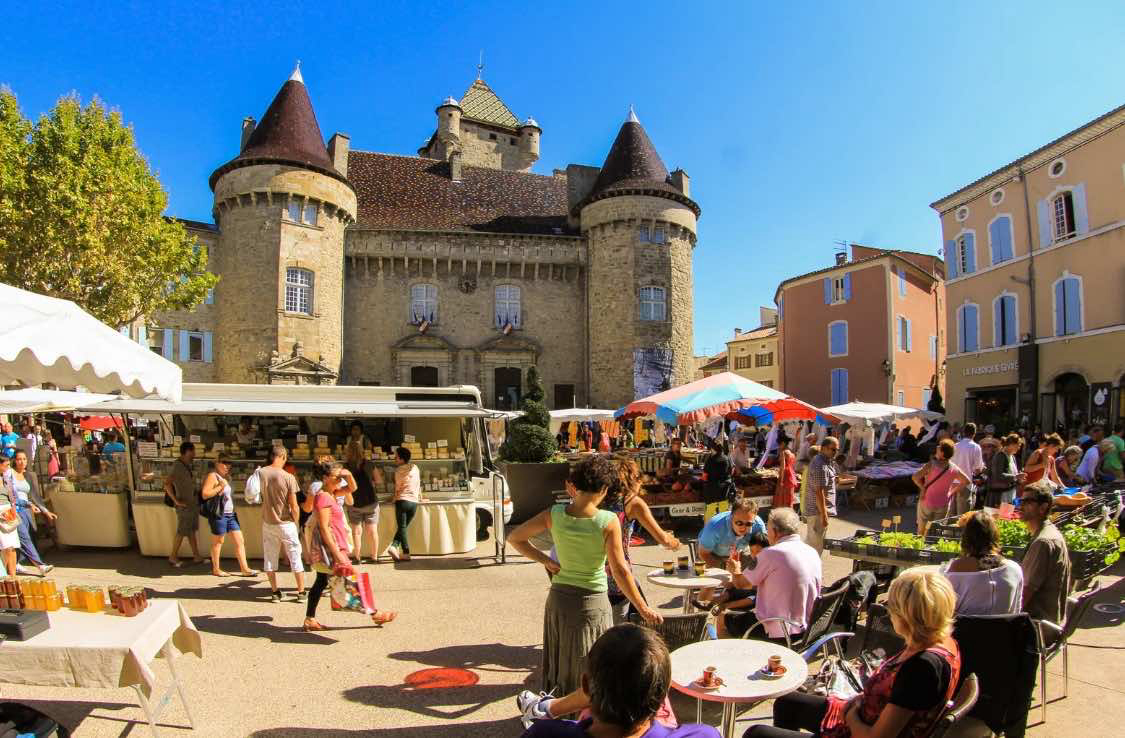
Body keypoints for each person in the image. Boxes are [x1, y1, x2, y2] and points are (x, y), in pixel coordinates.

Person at [508, 456, 661, 702]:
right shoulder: (607, 521)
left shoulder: (554, 513)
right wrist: (643, 608)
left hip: (559, 598)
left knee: (561, 657)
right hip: (592, 600)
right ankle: (584, 712)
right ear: (604, 488)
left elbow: (515, 537)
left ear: (575, 484)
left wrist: (545, 560)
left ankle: (556, 706)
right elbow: (620, 570)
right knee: (592, 661)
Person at [746, 567, 961, 738]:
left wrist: (850, 714)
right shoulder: (940, 641)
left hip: (857, 729)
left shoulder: (922, 667)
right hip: (861, 714)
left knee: (756, 734)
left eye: (891, 606)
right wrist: (855, 704)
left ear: (905, 615)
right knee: (787, 702)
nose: (888, 611)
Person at [520, 624, 720, 738]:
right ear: (663, 696)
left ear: (586, 686)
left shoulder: (543, 735)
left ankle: (545, 707)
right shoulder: (703, 735)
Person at [303, 459, 396, 631]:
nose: (340, 480)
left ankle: (310, 619)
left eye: (340, 477)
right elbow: (323, 528)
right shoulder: (323, 497)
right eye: (336, 477)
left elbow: (353, 489)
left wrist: (348, 474)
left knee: (321, 582)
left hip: (335, 546)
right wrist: (337, 553)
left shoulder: (332, 493)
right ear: (325, 477)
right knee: (353, 579)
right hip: (332, 548)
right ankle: (375, 614)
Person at [723, 508, 821, 641]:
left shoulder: (770, 554)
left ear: (774, 532)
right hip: (808, 628)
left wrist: (735, 570)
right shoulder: (811, 552)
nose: (767, 534)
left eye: (767, 530)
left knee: (721, 620)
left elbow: (741, 584)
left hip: (779, 629)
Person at [604, 459, 680, 624]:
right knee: (621, 629)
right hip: (618, 576)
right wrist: (675, 543)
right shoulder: (632, 502)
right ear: (634, 479)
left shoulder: (598, 499)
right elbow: (663, 539)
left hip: (593, 574)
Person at [939, 511, 1023, 615]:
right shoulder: (1014, 569)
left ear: (966, 538)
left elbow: (944, 612)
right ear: (995, 536)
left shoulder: (954, 570)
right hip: (1003, 630)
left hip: (965, 630)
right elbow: (1016, 612)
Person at [1019, 481, 1071, 624]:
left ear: (1043, 507)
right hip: (1047, 619)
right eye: (1021, 501)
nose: (1021, 506)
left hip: (1038, 625)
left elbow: (1024, 594)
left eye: (1028, 502)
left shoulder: (1042, 543)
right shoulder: (1048, 533)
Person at [260, 445, 306, 602]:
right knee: (295, 556)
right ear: (283, 456)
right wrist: (296, 521)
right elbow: (294, 505)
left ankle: (275, 592)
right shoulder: (288, 477)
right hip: (286, 523)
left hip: (268, 522)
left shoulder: (261, 473)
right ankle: (301, 592)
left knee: (270, 557)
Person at [200, 454, 257, 577]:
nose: (227, 466)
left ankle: (244, 568)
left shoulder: (226, 477)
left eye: (229, 463)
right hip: (219, 514)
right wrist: (221, 486)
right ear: (217, 463)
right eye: (224, 462)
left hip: (230, 514)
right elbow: (205, 494)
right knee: (218, 541)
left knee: (239, 540)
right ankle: (216, 568)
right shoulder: (213, 476)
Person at [7, 450, 56, 576]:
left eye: (24, 459)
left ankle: (16, 563)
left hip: (27, 510)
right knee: (25, 538)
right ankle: (40, 565)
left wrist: (46, 511)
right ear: (14, 461)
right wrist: (28, 504)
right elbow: (10, 495)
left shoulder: (28, 475)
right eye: (19, 459)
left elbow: (35, 496)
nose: (22, 462)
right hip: (14, 509)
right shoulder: (9, 474)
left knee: (29, 537)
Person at [912, 439, 970, 537]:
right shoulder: (954, 468)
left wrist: (922, 488)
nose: (937, 447)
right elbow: (966, 481)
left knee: (921, 531)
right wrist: (952, 492)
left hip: (927, 501)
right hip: (943, 503)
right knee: (936, 531)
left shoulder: (931, 465)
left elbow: (915, 477)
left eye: (939, 447)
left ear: (942, 453)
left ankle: (920, 547)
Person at [163, 441, 203, 567]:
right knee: (181, 531)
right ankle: (173, 557)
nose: (194, 454)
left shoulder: (186, 465)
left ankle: (196, 556)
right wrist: (176, 501)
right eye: (193, 451)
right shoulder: (178, 466)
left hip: (191, 504)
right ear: (187, 452)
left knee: (191, 530)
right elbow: (167, 484)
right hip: (184, 505)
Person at [697, 498, 766, 569]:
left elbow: (764, 553)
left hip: (740, 551)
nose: (743, 527)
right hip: (711, 553)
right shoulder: (714, 527)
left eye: (748, 524)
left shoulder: (758, 526)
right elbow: (704, 554)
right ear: (731, 517)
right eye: (739, 523)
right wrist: (724, 567)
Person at [343, 441, 383, 563]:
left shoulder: (346, 467)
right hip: (371, 501)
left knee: (356, 532)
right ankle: (374, 557)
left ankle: (357, 557)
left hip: (354, 502)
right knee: (372, 531)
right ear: (362, 451)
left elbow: (342, 484)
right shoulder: (370, 464)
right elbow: (379, 481)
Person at [802, 436, 838, 553]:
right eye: (832, 449)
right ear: (823, 448)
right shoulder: (819, 464)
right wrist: (824, 514)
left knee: (815, 545)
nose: (835, 452)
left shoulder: (825, 462)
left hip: (819, 511)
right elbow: (819, 491)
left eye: (836, 450)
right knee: (814, 548)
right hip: (817, 512)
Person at [387, 446, 420, 561]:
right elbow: (417, 484)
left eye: (396, 457)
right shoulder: (415, 467)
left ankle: (404, 552)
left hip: (402, 500)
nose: (394, 459)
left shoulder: (398, 471)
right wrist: (421, 497)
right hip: (414, 502)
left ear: (401, 459)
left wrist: (393, 498)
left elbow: (398, 488)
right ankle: (395, 547)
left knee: (402, 527)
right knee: (403, 528)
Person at [949, 422, 985, 515]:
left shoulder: (955, 446)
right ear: (974, 433)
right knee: (962, 516)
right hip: (965, 484)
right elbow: (978, 469)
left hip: (952, 483)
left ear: (964, 432)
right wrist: (983, 468)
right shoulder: (976, 447)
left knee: (950, 515)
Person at [986, 433, 1024, 507]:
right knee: (998, 516)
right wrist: (1015, 477)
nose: (1019, 448)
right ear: (1011, 444)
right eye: (1018, 446)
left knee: (1006, 517)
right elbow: (998, 475)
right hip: (1000, 495)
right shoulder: (1000, 456)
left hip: (1010, 493)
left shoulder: (1012, 456)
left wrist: (1019, 479)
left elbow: (1013, 474)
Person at [0, 456, 21, 576]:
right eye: (6, 465)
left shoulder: (6, 478)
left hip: (9, 513)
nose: (8, 468)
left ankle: (13, 577)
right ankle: (4, 576)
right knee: (6, 547)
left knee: (13, 547)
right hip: (0, 513)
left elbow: (13, 497)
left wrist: (13, 510)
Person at [774, 433, 798, 509]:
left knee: (782, 498)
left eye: (779, 444)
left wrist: (781, 480)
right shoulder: (791, 451)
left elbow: (783, 467)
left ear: (783, 443)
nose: (778, 446)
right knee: (789, 498)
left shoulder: (783, 452)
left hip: (786, 476)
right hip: (791, 475)